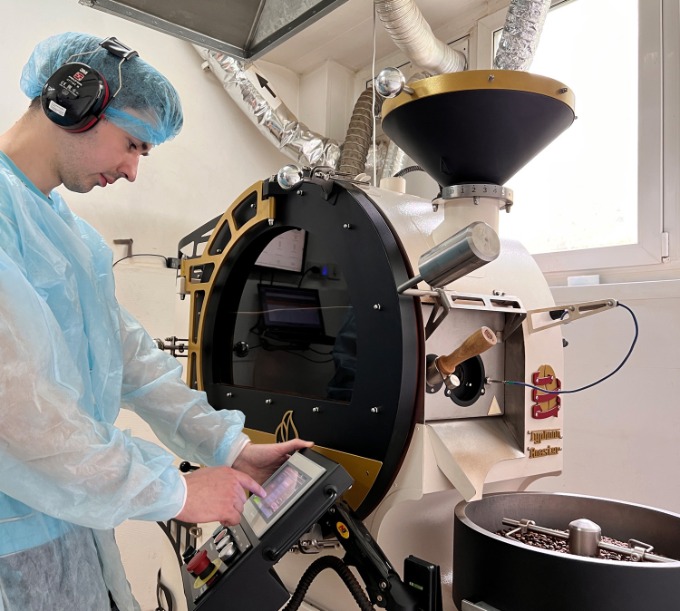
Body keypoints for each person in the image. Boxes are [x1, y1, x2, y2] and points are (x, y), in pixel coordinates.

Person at [0, 32, 311, 611]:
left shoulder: (72, 238)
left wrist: (229, 446)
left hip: (73, 516)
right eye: (133, 144)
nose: (132, 170)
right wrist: (174, 490)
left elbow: (133, 364)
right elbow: (18, 410)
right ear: (76, 104)